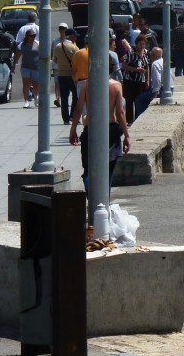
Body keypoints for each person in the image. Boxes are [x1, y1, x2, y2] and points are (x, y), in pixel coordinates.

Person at [68, 73, 131, 219]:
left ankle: (92, 196)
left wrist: (73, 130)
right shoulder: (116, 86)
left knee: (89, 169)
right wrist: (127, 135)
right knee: (107, 172)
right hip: (111, 130)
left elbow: (78, 108)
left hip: (91, 129)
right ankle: (103, 205)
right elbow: (120, 113)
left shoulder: (87, 85)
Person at [121, 35, 150, 122]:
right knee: (129, 101)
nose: (142, 46)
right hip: (130, 81)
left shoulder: (145, 53)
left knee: (139, 100)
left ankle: (138, 119)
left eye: (144, 44)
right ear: (136, 44)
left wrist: (148, 79)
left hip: (141, 81)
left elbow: (147, 66)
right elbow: (124, 66)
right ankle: (129, 120)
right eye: (140, 44)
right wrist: (135, 69)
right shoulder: (131, 54)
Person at [53, 28, 79, 123]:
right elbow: (78, 61)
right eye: (75, 36)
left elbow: (55, 60)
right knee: (76, 95)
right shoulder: (74, 47)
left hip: (61, 74)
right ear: (71, 36)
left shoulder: (58, 46)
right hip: (72, 75)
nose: (76, 37)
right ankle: (73, 115)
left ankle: (65, 119)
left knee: (64, 97)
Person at [133, 46, 165, 120]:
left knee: (139, 100)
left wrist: (155, 94)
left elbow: (157, 80)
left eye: (150, 54)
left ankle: (141, 119)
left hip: (161, 90)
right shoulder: (163, 61)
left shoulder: (155, 64)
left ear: (153, 55)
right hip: (167, 88)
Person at [15, 29, 40, 108]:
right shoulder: (22, 45)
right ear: (27, 36)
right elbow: (17, 55)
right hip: (25, 67)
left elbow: (43, 54)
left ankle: (36, 96)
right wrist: (13, 65)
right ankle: (26, 101)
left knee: (36, 84)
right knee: (26, 84)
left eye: (34, 36)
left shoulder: (38, 44)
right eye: (31, 36)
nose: (33, 37)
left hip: (36, 67)